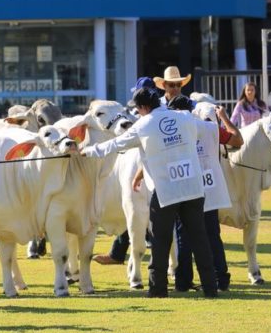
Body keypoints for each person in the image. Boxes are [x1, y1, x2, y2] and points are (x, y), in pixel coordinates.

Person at [82, 88, 218, 298]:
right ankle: (210, 287)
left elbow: (114, 144)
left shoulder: (143, 125)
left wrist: (87, 151)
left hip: (166, 191)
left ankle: (158, 289)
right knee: (199, 238)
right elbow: (210, 128)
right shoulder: (184, 117)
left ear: (143, 108)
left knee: (160, 242)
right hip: (193, 187)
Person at [170, 96, 242, 292]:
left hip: (184, 189)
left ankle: (183, 282)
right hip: (208, 190)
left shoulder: (170, 132)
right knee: (212, 237)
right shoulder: (208, 128)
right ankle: (221, 279)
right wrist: (224, 117)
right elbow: (237, 139)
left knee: (184, 238)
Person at [94, 76, 160, 266]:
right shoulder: (135, 115)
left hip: (153, 170)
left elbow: (122, 142)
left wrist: (93, 151)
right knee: (133, 211)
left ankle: (169, 265)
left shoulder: (145, 117)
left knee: (148, 215)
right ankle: (117, 253)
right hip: (139, 168)